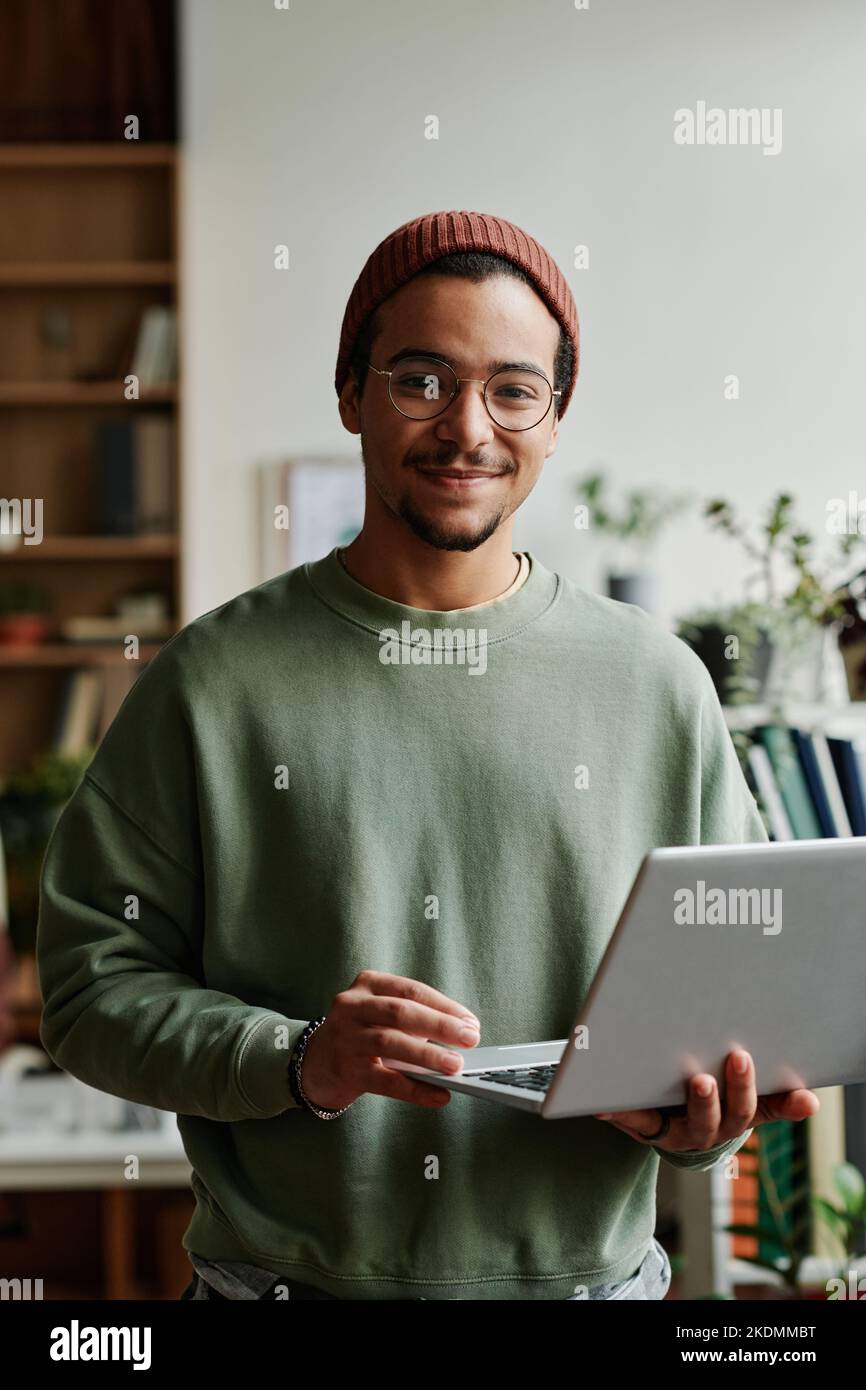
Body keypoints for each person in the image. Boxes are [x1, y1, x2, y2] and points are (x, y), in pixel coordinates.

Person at [36, 210, 819, 1302]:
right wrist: (298, 1058)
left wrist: (700, 1120)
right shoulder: (210, 681)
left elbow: (729, 1007)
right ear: (351, 392)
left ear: (553, 421)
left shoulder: (656, 684)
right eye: (419, 380)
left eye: (511, 389)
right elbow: (86, 991)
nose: (467, 428)